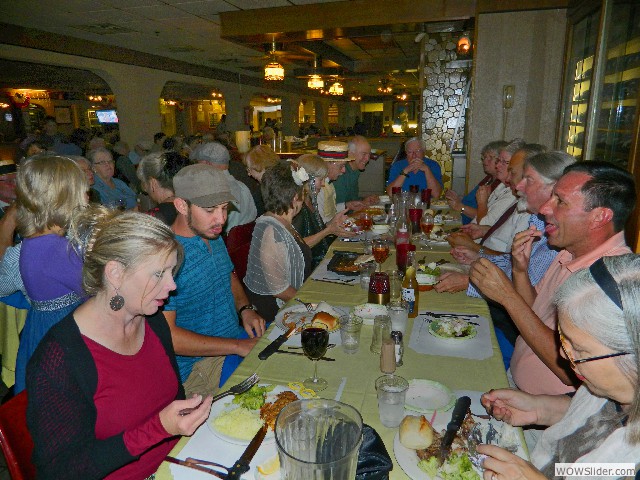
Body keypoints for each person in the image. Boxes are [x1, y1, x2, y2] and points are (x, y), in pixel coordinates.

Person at [26, 207, 213, 479]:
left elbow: (172, 399)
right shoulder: (60, 360)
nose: (172, 286)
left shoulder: (153, 321)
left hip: (179, 464)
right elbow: (61, 471)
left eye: (172, 271)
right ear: (114, 273)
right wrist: (157, 429)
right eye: (159, 273)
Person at [469, 161, 636, 396]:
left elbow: (569, 372)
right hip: (516, 385)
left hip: (545, 413)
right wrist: (519, 270)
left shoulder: (610, 280)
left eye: (560, 201)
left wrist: (507, 296)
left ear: (599, 217)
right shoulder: (569, 251)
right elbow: (535, 312)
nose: (545, 208)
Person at [478, 254, 640, 477]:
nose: (564, 356)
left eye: (580, 350)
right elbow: (599, 415)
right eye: (564, 340)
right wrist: (539, 409)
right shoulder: (616, 388)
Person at [165, 164, 265, 397]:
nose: (220, 219)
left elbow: (228, 274)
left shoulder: (212, 234)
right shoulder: (164, 256)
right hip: (198, 369)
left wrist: (245, 308)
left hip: (232, 342)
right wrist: (237, 346)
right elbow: (169, 336)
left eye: (224, 208)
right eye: (210, 210)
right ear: (181, 205)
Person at [13, 155, 89, 393]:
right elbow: (93, 290)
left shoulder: (36, 238)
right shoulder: (54, 247)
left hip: (44, 324)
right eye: (82, 190)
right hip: (61, 331)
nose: (87, 195)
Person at [446, 143, 545, 255]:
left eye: (511, 171)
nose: (498, 166)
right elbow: (505, 235)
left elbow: (510, 261)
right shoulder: (514, 195)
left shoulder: (533, 214)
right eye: (498, 161)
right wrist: (486, 230)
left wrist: (473, 246)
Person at [245, 163, 312, 322]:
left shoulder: (281, 222)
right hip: (273, 314)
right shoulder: (272, 231)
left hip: (290, 298)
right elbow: (279, 290)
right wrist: (310, 305)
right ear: (296, 198)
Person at [292, 154, 356, 268]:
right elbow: (297, 244)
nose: (322, 184)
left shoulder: (309, 200)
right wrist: (328, 231)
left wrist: (331, 224)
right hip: (306, 267)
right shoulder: (297, 208)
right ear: (308, 179)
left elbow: (314, 230)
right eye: (320, 179)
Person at [190, 141, 257, 233]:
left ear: (207, 164)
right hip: (245, 244)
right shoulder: (243, 187)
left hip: (222, 244)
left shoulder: (210, 191)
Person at [445, 140, 505, 224]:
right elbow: (472, 201)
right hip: (459, 219)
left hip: (470, 226)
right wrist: (457, 198)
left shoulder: (501, 186)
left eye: (490, 158)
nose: (484, 162)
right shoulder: (488, 179)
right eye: (484, 158)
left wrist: (460, 207)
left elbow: (485, 217)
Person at [137, 151, 190, 226]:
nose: (145, 190)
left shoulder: (151, 219)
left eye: (145, 184)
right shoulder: (193, 202)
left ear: (153, 183)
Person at [330, 135, 379, 213]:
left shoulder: (355, 171)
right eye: (364, 154)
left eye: (369, 154)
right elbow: (336, 209)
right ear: (350, 154)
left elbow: (349, 201)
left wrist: (363, 200)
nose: (367, 159)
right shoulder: (340, 174)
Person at [244, 144, 280, 216]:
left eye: (249, 169)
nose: (249, 174)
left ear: (257, 165)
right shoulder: (281, 182)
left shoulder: (261, 192)